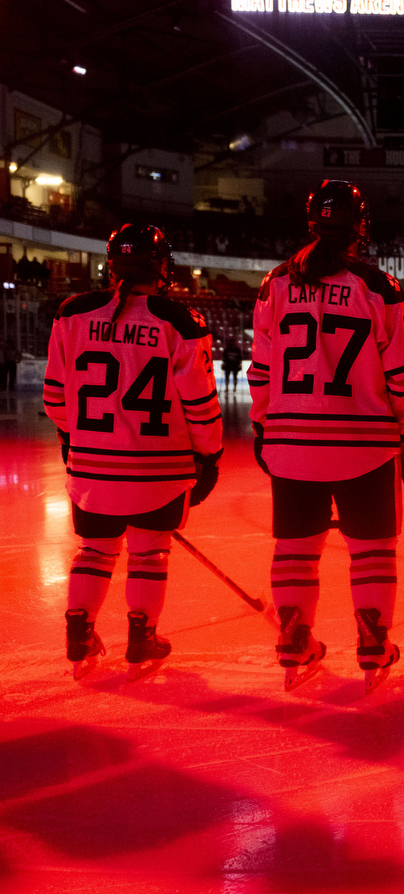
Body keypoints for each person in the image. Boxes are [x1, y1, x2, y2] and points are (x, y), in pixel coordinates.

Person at [248, 180, 404, 694]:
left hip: (291, 440)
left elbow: (262, 371)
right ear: (359, 228)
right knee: (372, 551)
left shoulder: (274, 284)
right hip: (364, 444)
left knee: (295, 550)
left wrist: (264, 426)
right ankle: (373, 642)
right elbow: (401, 374)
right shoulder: (379, 287)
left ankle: (292, 636)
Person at [42, 224, 223, 680]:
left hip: (91, 466)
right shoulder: (180, 321)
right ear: (161, 267)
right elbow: (200, 406)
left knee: (93, 551)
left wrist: (77, 439)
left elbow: (55, 398)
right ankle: (143, 636)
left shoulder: (72, 314)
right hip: (158, 469)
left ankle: (79, 631)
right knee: (149, 554)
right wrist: (209, 456)